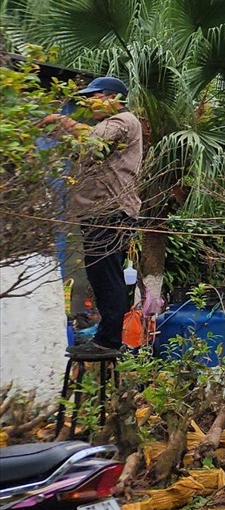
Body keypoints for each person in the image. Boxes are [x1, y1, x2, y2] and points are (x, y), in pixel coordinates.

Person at [42, 75, 144, 360]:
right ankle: (105, 337)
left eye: (94, 97)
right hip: (100, 212)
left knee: (106, 274)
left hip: (110, 212)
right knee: (100, 274)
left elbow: (91, 141)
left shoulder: (123, 121)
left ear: (113, 98)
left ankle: (108, 340)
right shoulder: (107, 124)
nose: (89, 103)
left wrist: (62, 121)